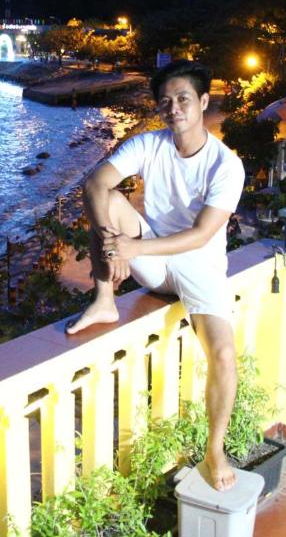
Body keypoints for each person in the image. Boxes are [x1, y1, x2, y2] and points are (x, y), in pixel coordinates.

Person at [65, 60, 245, 491]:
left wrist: (132, 248)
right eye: (165, 101)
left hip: (199, 266)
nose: (173, 108)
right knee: (106, 202)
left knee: (223, 355)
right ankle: (104, 300)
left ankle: (214, 449)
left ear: (203, 102)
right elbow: (94, 184)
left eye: (183, 99)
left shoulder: (226, 165)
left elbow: (202, 234)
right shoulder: (150, 144)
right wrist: (112, 241)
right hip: (152, 260)